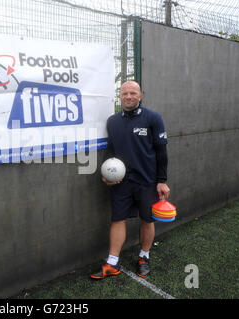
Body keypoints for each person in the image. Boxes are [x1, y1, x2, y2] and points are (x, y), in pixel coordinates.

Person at [90, 80, 170, 280]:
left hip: (147, 181)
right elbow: (110, 151)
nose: (128, 96)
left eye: (133, 93)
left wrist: (162, 180)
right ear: (120, 96)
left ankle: (144, 257)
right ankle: (112, 263)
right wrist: (107, 175)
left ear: (140, 95)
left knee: (147, 219)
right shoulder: (112, 121)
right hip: (121, 182)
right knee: (117, 219)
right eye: (124, 93)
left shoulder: (153, 118)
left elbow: (161, 152)